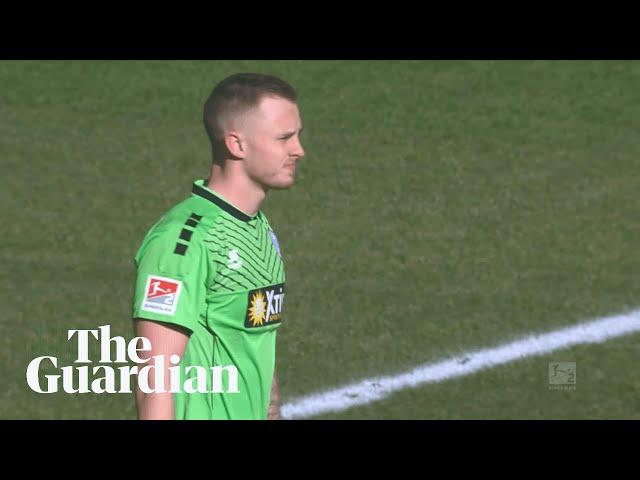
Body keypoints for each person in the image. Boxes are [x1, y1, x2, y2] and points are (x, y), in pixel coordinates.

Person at [132, 72, 305, 419]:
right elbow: (155, 381)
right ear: (236, 144)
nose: (299, 150)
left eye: (298, 136)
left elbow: (256, 346)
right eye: (284, 138)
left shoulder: (258, 230)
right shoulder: (183, 241)